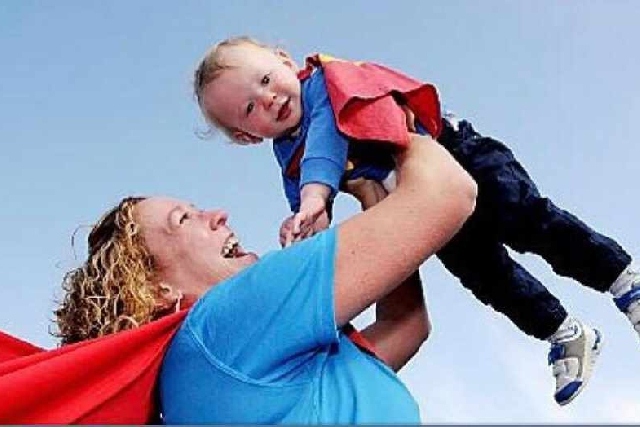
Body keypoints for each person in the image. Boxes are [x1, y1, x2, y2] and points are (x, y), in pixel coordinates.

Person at [192, 35, 640, 406]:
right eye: (249, 109)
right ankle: (564, 332)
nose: (268, 99)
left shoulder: (324, 82)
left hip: (458, 152)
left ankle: (622, 279)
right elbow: (313, 206)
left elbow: (328, 137)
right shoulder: (291, 159)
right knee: (483, 274)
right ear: (246, 136)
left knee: (524, 217)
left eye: (267, 79)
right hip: (422, 198)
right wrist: (307, 222)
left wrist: (315, 195)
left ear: (285, 61)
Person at [53, 133, 477, 423]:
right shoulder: (222, 322)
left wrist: (370, 192)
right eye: (184, 219)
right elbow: (449, 193)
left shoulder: (209, 372)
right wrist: (395, 125)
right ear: (155, 290)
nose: (217, 213)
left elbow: (405, 326)